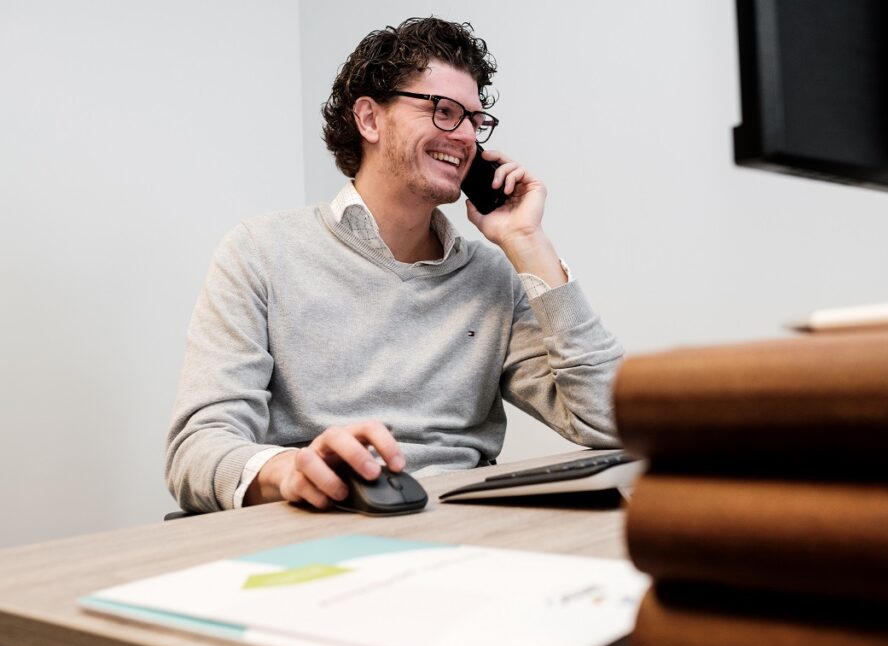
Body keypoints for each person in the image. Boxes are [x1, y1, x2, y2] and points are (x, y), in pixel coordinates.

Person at [165, 17, 622, 513]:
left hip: (464, 521)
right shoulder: (260, 252)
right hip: (323, 519)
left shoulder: (493, 277)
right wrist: (290, 471)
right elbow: (197, 451)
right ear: (369, 119)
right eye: (443, 111)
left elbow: (614, 421)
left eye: (475, 120)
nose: (466, 136)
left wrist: (528, 243)